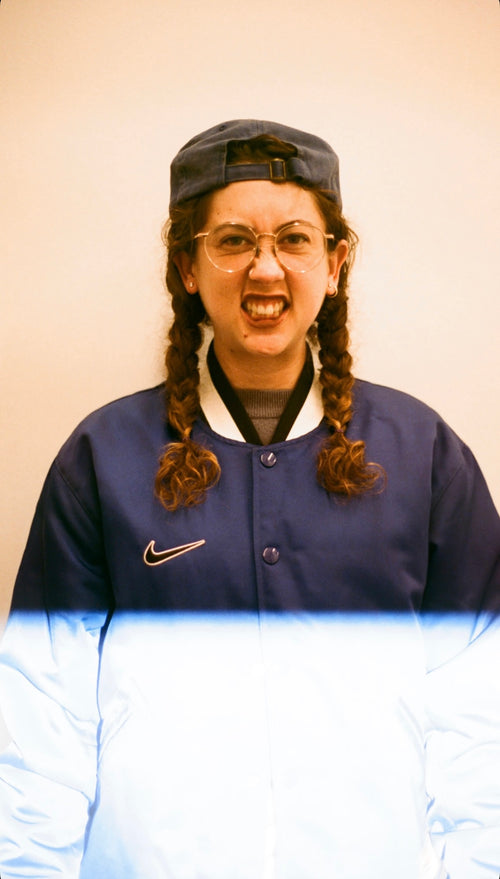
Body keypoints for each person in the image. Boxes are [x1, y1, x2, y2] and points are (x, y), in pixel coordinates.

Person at [0, 119, 499, 879]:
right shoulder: (104, 458)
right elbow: (41, 717)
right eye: (233, 240)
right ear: (188, 266)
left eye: (293, 239)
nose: (265, 269)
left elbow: (481, 709)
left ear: (334, 264)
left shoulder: (422, 454)